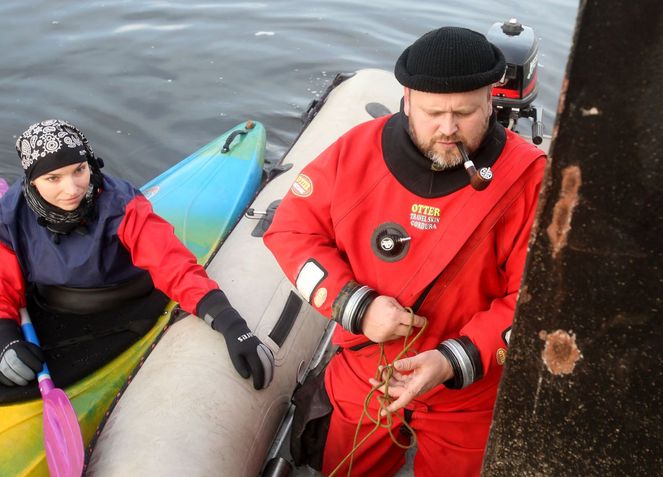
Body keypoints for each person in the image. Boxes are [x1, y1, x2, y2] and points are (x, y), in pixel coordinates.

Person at [264, 27, 547, 476]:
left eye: (466, 113)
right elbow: (291, 232)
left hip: (467, 392)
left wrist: (453, 360)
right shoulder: (355, 154)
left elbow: (535, 302)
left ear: (492, 101)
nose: (449, 129)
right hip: (367, 374)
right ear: (408, 99)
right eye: (435, 113)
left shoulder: (528, 180)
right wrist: (355, 306)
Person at [0, 119, 274, 391]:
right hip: (50, 307)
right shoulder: (12, 212)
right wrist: (5, 336)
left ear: (89, 163)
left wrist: (230, 322)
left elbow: (172, 264)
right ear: (32, 181)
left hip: (126, 308)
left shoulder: (121, 206)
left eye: (79, 170)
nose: (72, 189)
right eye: (53, 178)